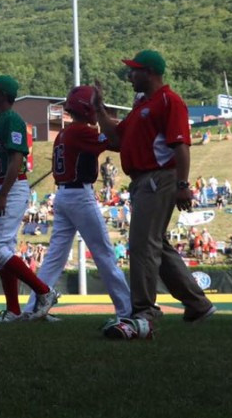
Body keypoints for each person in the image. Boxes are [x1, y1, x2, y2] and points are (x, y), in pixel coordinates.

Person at [94, 50, 214, 324]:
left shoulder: (169, 101)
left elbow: (181, 146)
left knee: (142, 245)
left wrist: (183, 184)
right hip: (144, 180)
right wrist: (99, 109)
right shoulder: (143, 105)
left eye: (134, 70)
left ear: (149, 72)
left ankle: (144, 310)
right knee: (156, 244)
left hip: (158, 178)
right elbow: (117, 138)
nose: (129, 76)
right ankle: (198, 304)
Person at [27, 86, 131, 321]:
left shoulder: (65, 133)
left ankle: (33, 308)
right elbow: (116, 142)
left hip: (64, 195)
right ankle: (127, 310)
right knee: (104, 253)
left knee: (55, 257)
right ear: (86, 109)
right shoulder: (81, 131)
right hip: (79, 196)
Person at [0, 75, 57, 322]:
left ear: (3, 95)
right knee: (4, 250)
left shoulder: (12, 120)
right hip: (0, 188)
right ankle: (13, 310)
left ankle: (44, 291)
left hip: (11, 187)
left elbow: (17, 158)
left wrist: (3, 194)